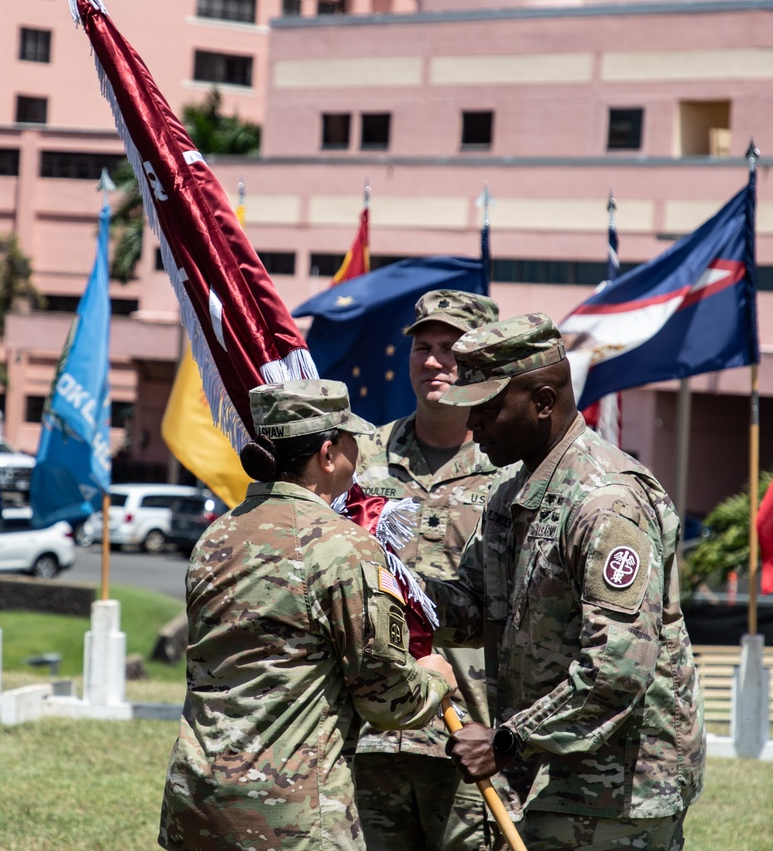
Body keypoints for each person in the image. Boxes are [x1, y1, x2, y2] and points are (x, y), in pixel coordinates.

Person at [430, 314, 705, 850]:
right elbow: (470, 606)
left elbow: (618, 667)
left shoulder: (606, 502)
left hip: (619, 789)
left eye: (487, 409)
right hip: (549, 776)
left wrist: (509, 741)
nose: (473, 426)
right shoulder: (511, 498)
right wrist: (387, 583)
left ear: (544, 401)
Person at [158, 379, 458, 851]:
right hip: (291, 819)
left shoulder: (216, 537)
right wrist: (436, 677)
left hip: (196, 804)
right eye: (351, 440)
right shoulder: (343, 546)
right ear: (328, 452)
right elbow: (389, 700)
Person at [353, 290, 500, 851]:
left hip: (468, 732)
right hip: (373, 726)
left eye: (451, 348)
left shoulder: (508, 464)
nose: (434, 361)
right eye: (423, 347)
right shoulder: (362, 456)